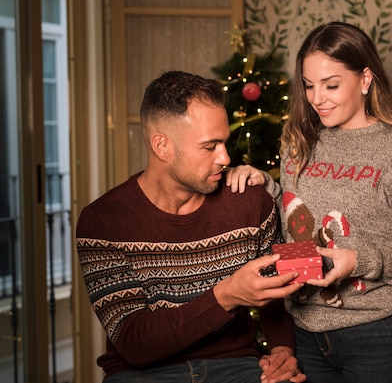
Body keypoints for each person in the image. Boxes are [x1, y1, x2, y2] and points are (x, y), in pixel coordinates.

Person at [226, 21, 392, 383]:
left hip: (379, 336)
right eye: (309, 85)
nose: (317, 98)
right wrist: (265, 184)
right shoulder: (298, 141)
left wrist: (359, 261)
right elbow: (298, 211)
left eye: (331, 85)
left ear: (365, 79)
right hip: (305, 334)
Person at [75, 70, 307, 383]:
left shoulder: (250, 203)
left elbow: (277, 296)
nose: (226, 157)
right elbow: (134, 343)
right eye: (210, 146)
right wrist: (224, 296)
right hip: (142, 374)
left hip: (236, 367)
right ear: (162, 146)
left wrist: (282, 350)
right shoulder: (103, 221)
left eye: (224, 143)